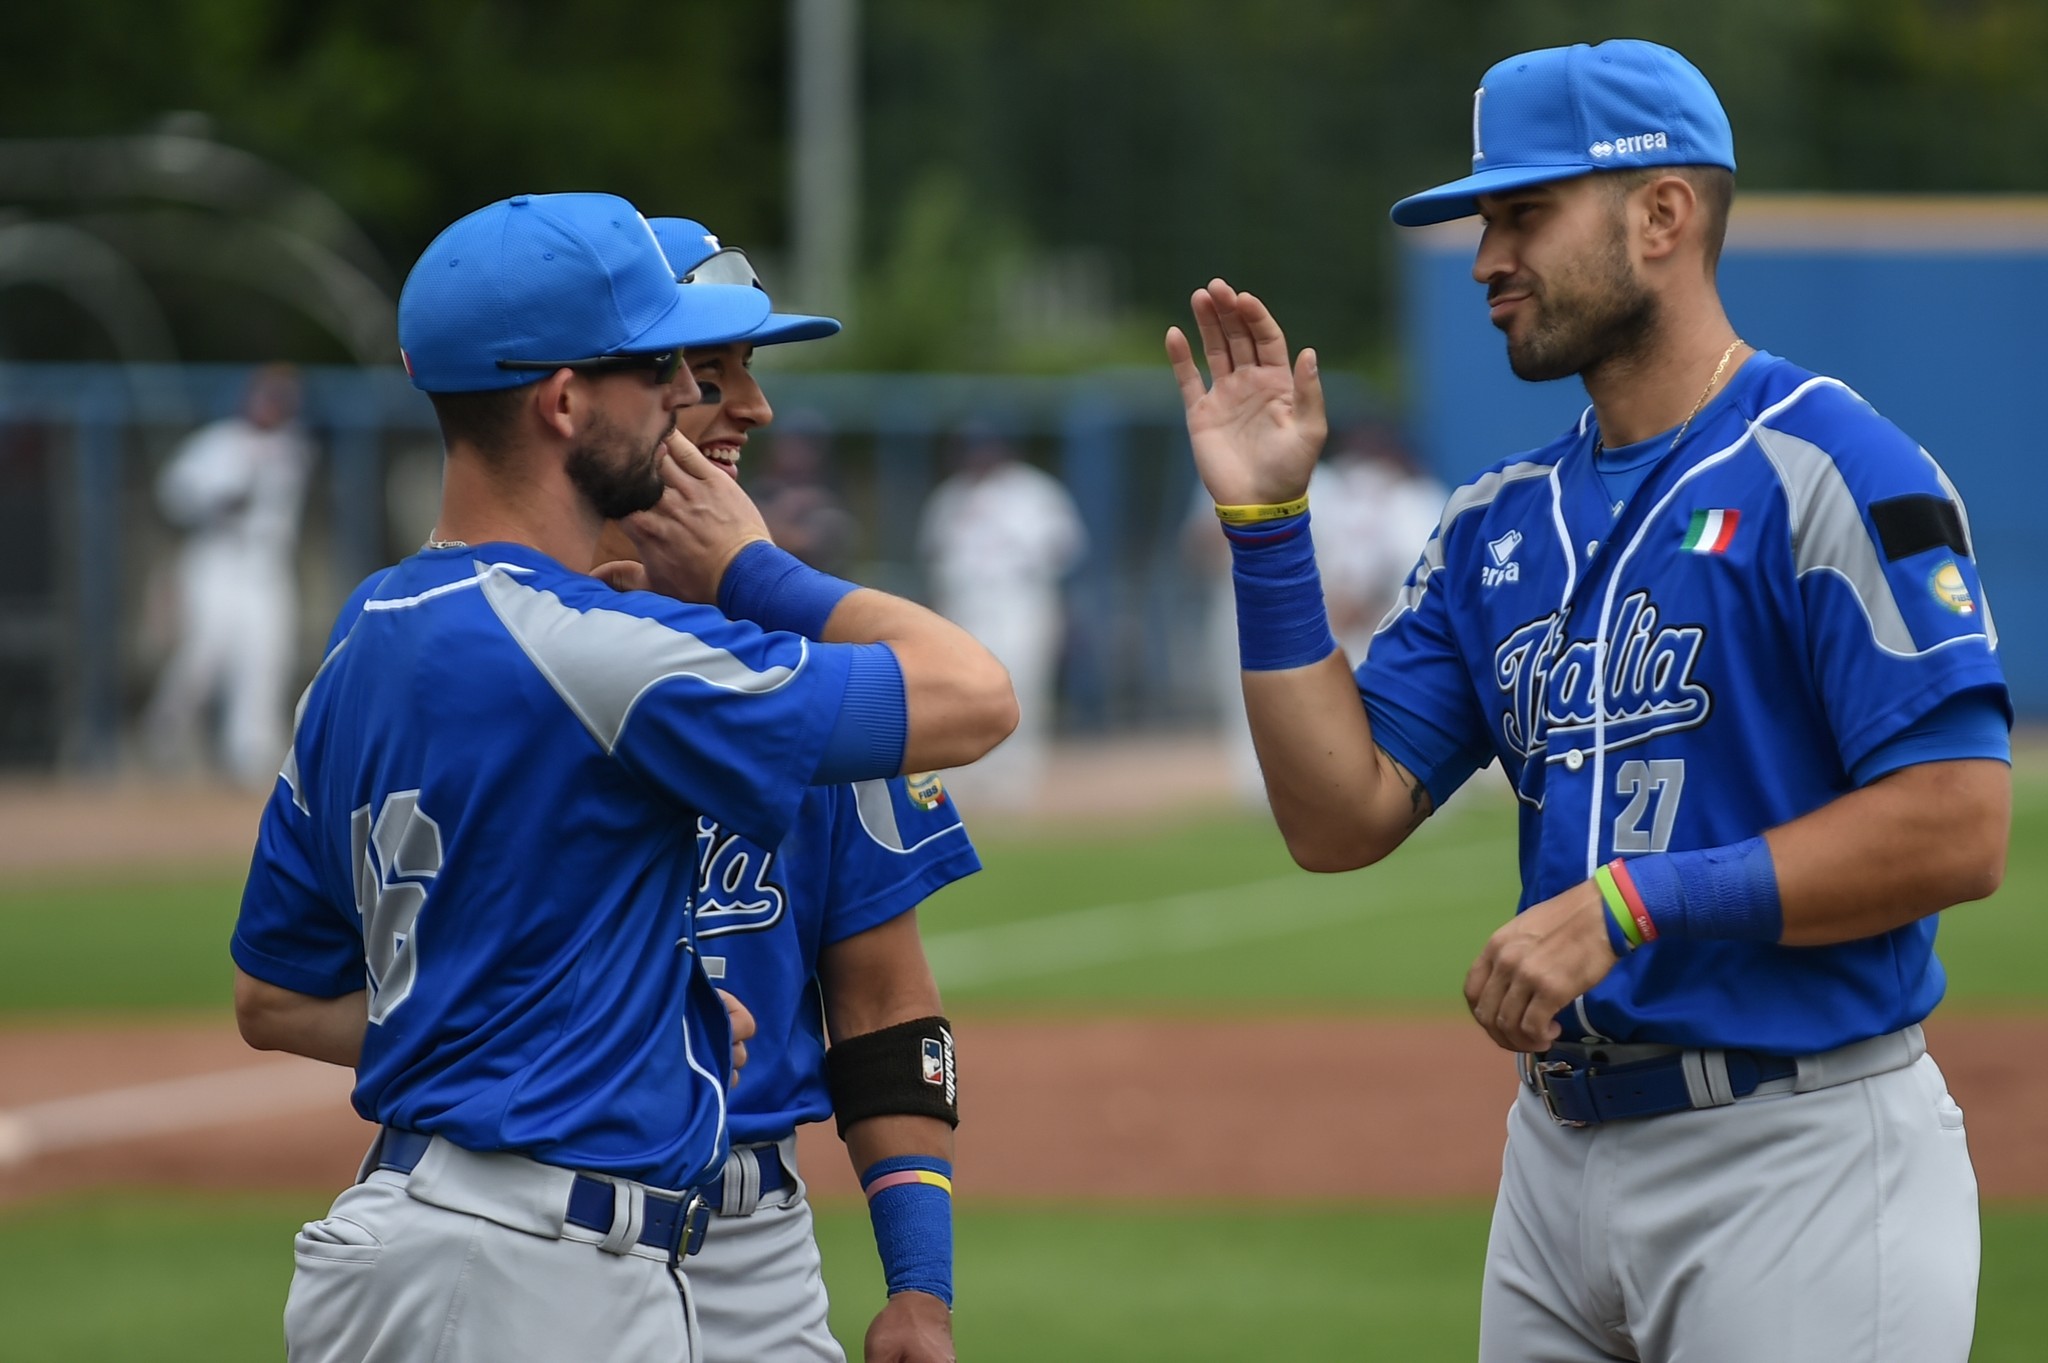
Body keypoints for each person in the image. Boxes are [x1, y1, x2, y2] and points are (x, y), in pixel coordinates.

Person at [1167, 39, 2009, 1363]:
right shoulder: (1499, 521)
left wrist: (1636, 900)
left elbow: (1960, 824)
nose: (1487, 255)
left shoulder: (1832, 464)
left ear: (1662, 214)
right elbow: (1339, 816)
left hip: (1796, 1156)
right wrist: (1270, 524)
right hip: (1558, 1156)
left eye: (1523, 213)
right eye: (1483, 220)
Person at [229, 192, 1016, 1363]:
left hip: (633, 1233)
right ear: (563, 399)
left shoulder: (376, 630)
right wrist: (761, 572)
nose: (714, 403)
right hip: (527, 1243)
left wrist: (919, 1282)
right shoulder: (607, 648)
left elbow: (278, 985)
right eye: (678, 370)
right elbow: (974, 694)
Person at [607, 215, 974, 1363]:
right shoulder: (485, 641)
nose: (753, 410)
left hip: (756, 1243)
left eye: (749, 373)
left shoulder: (802, 676)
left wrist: (919, 1284)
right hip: (533, 1216)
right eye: (710, 376)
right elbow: (284, 991)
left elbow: (882, 1002)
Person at [1181, 420, 1444, 804]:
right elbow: (1198, 546)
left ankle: (1335, 782)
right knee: (1242, 691)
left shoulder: (1324, 484)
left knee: (1328, 696)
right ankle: (1258, 790)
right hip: (1236, 598)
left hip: (1310, 604)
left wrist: (1342, 596)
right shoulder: (1223, 473)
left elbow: (1346, 552)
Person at [143, 363, 313, 786]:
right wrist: (216, 498)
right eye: (268, 397)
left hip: (265, 563)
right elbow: (173, 494)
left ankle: (250, 756)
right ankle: (164, 736)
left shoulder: (295, 448)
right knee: (204, 654)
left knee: (266, 657)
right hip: (217, 558)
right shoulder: (217, 442)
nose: (273, 407)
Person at [917, 425, 1086, 810]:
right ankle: (966, 779)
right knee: (960, 687)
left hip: (1020, 599)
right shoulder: (950, 497)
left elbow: (1064, 549)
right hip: (965, 602)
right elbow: (935, 557)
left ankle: (1014, 782)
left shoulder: (1034, 491)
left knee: (1021, 683)